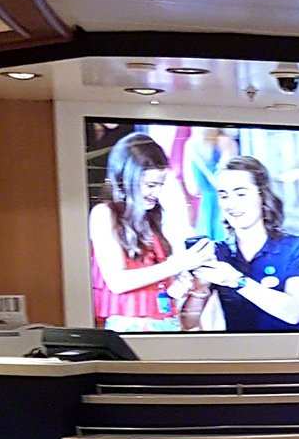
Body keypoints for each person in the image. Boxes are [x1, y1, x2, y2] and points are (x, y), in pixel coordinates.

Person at [88, 132, 212, 331]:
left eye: (160, 185)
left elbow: (184, 320)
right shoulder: (104, 214)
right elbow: (117, 282)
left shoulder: (152, 220)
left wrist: (184, 287)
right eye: (150, 185)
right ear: (126, 179)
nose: (157, 193)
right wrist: (177, 265)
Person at [197, 155, 299, 331]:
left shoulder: (295, 247)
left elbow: (293, 313)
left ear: (262, 195)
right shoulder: (217, 252)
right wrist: (196, 290)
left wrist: (237, 281)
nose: (231, 204)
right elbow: (191, 323)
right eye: (224, 196)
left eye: (241, 194)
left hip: (289, 346)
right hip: (238, 347)